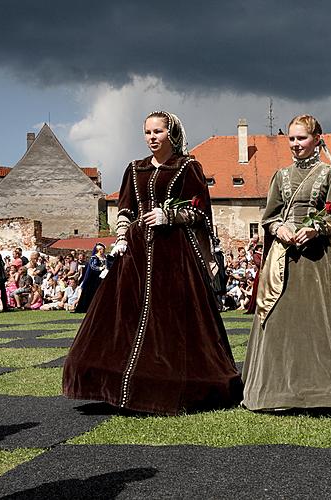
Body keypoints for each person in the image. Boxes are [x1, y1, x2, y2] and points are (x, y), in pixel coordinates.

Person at [63, 110, 242, 414]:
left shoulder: (188, 168)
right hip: (135, 252)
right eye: (147, 132)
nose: (151, 138)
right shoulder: (135, 168)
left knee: (170, 317)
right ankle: (120, 385)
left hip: (174, 253)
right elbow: (124, 210)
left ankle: (170, 381)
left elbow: (200, 213)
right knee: (125, 316)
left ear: (171, 133)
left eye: (157, 132)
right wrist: (120, 238)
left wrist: (169, 215)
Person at [242, 114, 331, 411]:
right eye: (291, 139)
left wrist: (317, 228)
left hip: (322, 259)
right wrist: (278, 228)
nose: (295, 144)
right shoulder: (280, 176)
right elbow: (269, 215)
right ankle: (280, 390)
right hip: (285, 256)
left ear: (317, 138)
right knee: (283, 320)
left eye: (301, 138)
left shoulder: (330, 174)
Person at [74, 243, 108, 313]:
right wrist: (100, 268)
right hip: (94, 279)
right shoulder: (94, 258)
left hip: (104, 277)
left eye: (103, 249)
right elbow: (93, 267)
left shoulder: (105, 257)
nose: (102, 250)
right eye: (101, 249)